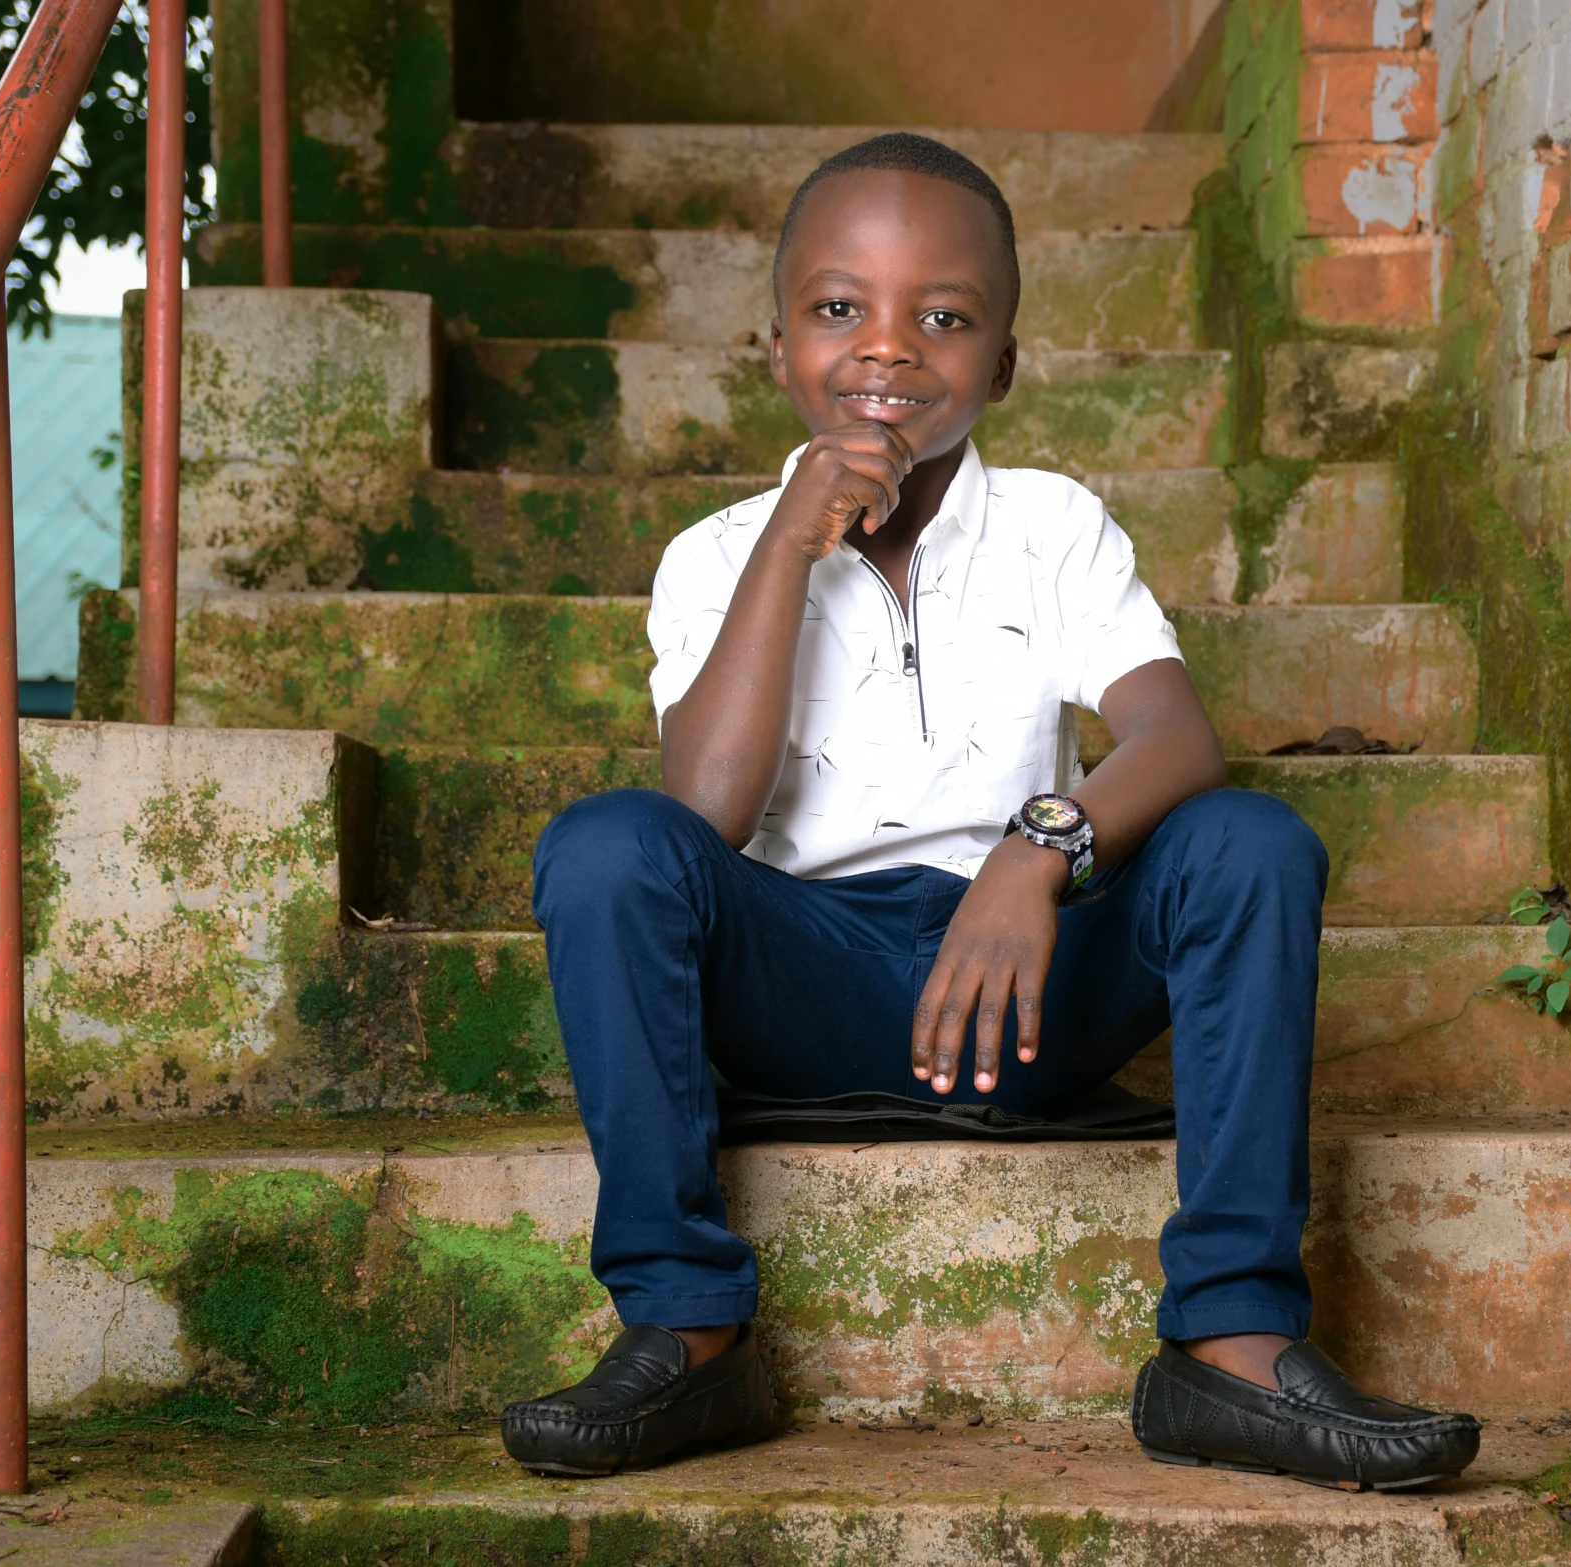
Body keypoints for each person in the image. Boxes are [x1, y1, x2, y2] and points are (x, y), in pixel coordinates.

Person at [501, 133, 1480, 1492]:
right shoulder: (715, 553)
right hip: (808, 988)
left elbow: (1173, 735)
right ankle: (689, 1324)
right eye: (839, 308)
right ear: (774, 342)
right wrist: (792, 541)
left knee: (1251, 841)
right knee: (605, 846)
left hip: (1024, 986)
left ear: (1004, 363)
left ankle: (1230, 1341)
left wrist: (1039, 851)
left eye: (944, 317)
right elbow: (705, 810)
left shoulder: (1053, 525)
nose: (887, 350)